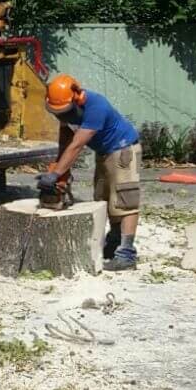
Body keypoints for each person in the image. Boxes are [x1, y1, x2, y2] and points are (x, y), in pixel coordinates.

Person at [41, 74, 142, 271]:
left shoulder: (97, 107)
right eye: (57, 113)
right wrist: (60, 171)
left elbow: (77, 145)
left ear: (77, 99)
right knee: (103, 199)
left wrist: (54, 175)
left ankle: (127, 254)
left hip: (124, 150)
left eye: (64, 112)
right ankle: (113, 242)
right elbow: (66, 142)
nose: (61, 117)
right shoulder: (65, 111)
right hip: (104, 152)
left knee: (125, 201)